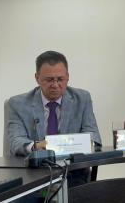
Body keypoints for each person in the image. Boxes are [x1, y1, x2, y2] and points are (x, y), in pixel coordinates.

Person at [8, 50, 102, 186]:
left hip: (73, 174)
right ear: (37, 78)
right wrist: (36, 147)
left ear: (68, 77)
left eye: (60, 79)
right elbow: (15, 141)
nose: (55, 85)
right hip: (34, 175)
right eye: (49, 80)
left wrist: (68, 144)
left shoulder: (82, 99)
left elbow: (94, 136)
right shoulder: (18, 104)